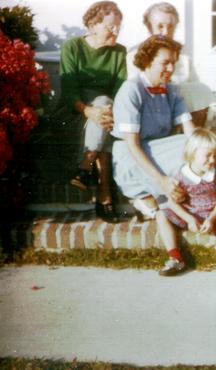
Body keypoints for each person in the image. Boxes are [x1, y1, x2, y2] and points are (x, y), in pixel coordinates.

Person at [54, 1, 126, 222]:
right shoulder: (72, 46)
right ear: (93, 25)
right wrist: (88, 111)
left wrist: (104, 110)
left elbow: (119, 89)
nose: (116, 31)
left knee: (105, 104)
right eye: (110, 27)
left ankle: (86, 165)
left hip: (105, 111)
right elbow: (69, 90)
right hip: (75, 109)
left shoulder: (119, 52)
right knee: (103, 116)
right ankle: (105, 195)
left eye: (118, 27)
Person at [111, 35, 191, 222]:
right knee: (189, 153)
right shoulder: (132, 90)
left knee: (202, 149)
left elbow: (191, 132)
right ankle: (148, 196)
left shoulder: (170, 90)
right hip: (131, 156)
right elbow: (132, 145)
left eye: (173, 63)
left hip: (158, 149)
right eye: (165, 63)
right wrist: (162, 180)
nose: (171, 69)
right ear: (147, 61)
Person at [157, 129, 216, 278]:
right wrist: (189, 219)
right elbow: (172, 202)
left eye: (215, 156)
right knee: (161, 214)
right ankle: (175, 258)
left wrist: (210, 219)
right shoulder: (181, 175)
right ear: (192, 153)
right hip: (192, 213)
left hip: (215, 213)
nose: (212, 160)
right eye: (208, 155)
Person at [126, 2, 215, 127]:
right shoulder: (136, 54)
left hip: (182, 114)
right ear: (149, 27)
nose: (166, 32)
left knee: (200, 90)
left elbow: (197, 91)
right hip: (151, 112)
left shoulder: (183, 57)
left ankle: (193, 141)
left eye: (171, 26)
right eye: (160, 26)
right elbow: (135, 89)